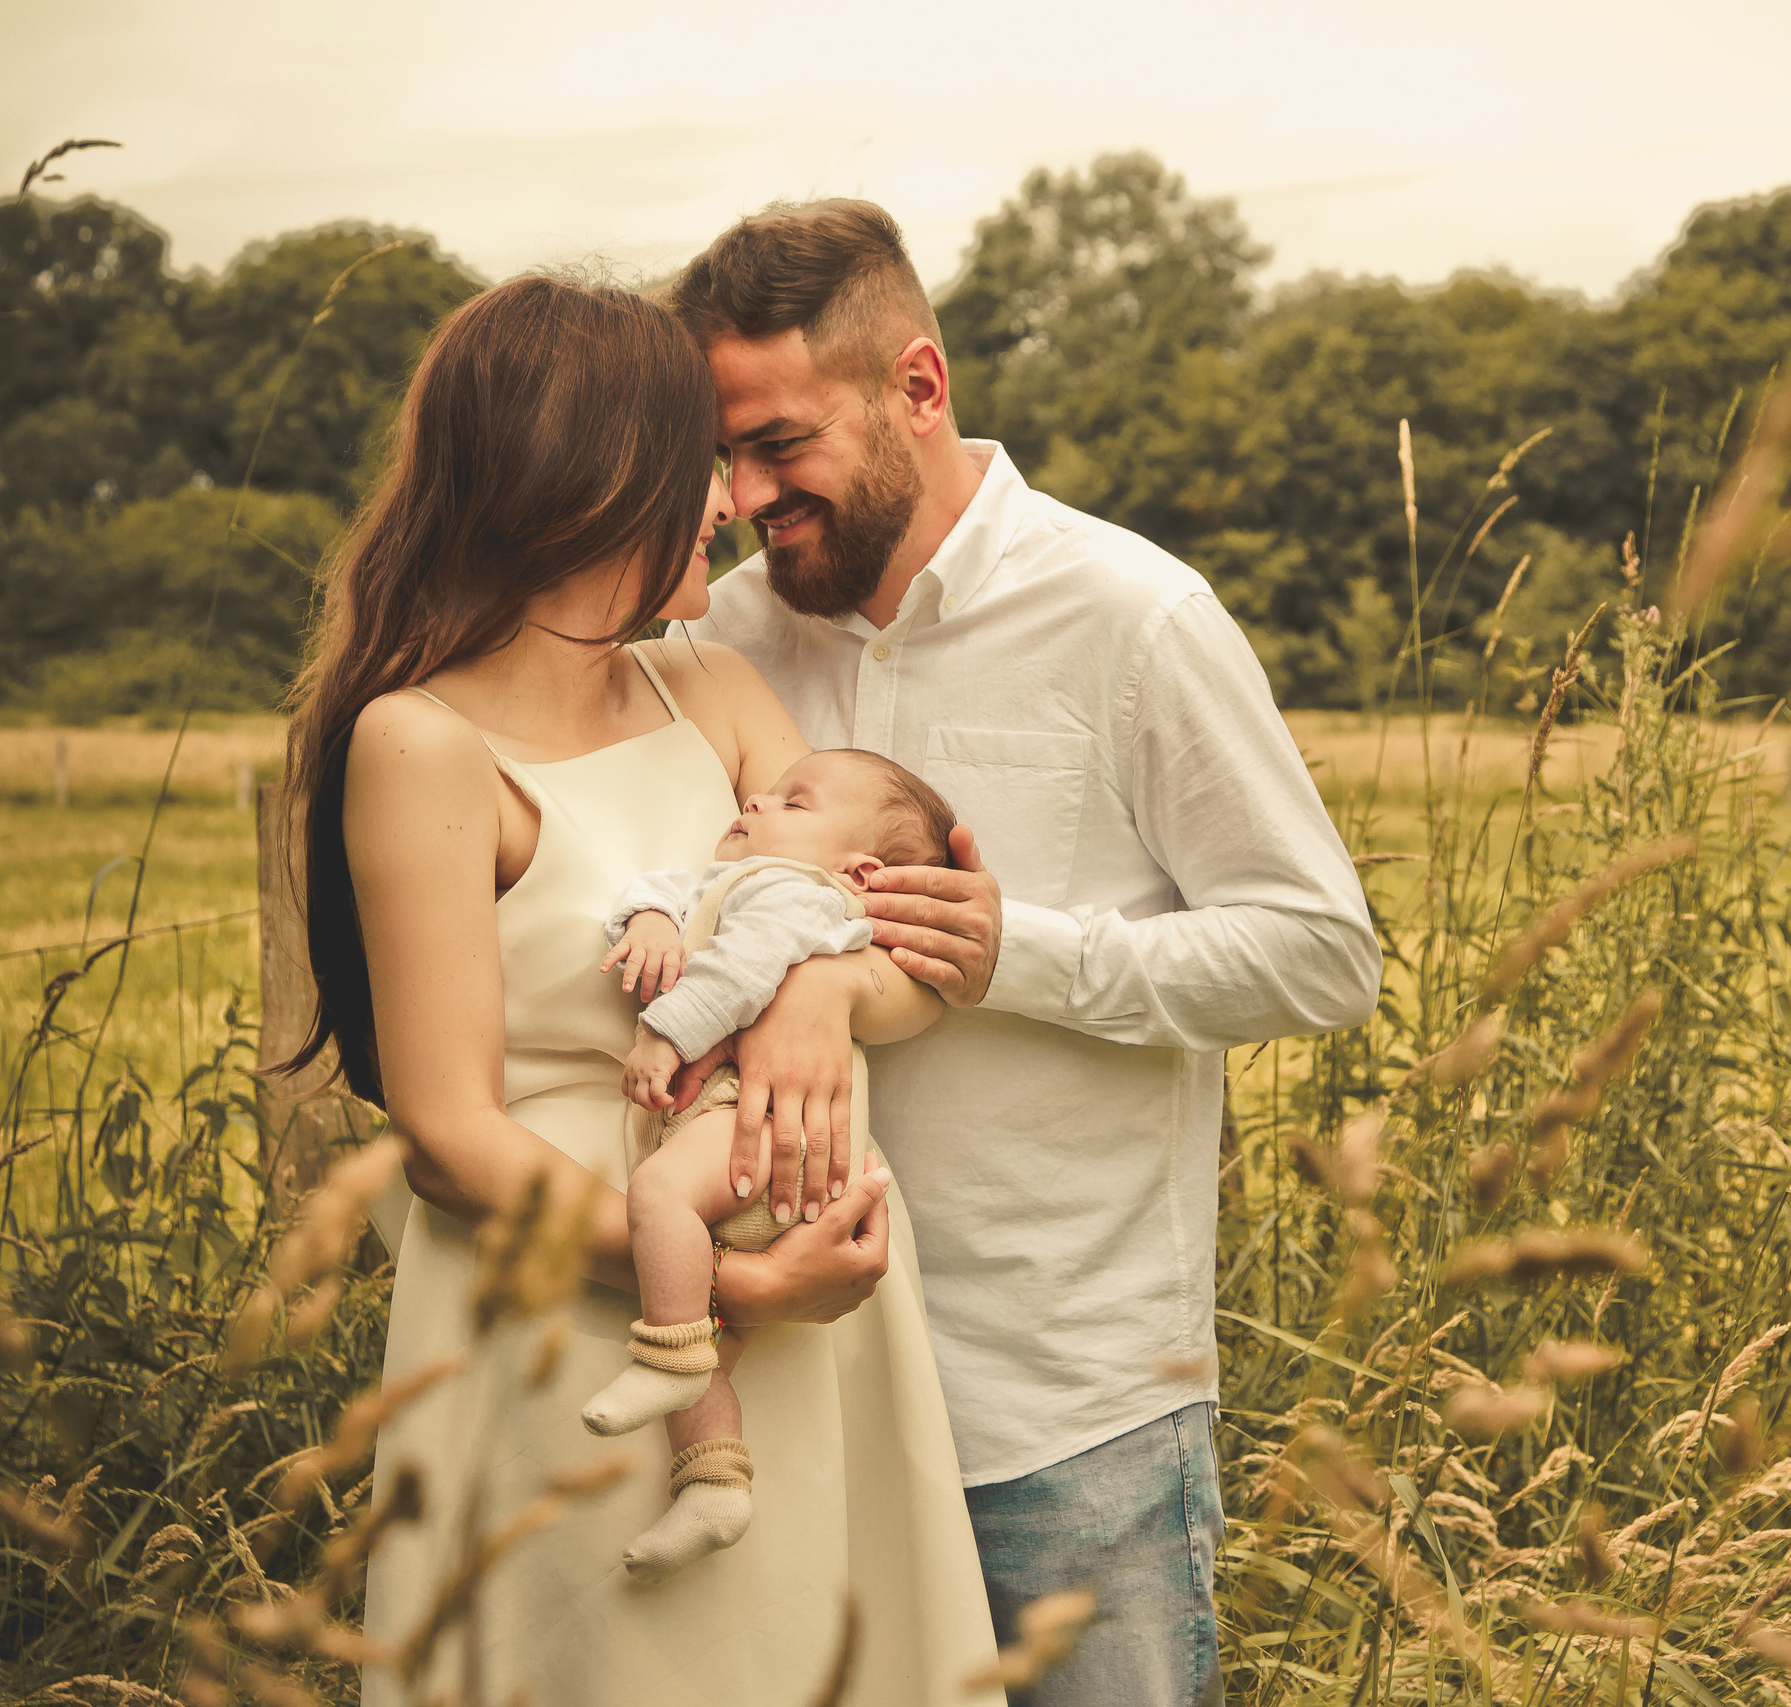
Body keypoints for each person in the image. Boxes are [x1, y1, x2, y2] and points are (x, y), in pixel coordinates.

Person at [667, 201, 1383, 1705]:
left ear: (918, 388)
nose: (742, 496)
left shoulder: (1132, 616)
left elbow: (1322, 952)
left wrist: (1024, 954)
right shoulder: (722, 638)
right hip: (796, 1388)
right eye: (722, 457)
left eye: (779, 445)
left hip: (1060, 1411)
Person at [280, 274, 1002, 1706]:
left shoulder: (710, 689)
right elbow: (447, 1130)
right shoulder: (420, 745)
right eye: (701, 465)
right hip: (584, 1311)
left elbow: (897, 955)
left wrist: (827, 997)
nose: (731, 501)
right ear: (595, 481)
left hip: (820, 1312)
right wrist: (732, 1285)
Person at [582, 748, 959, 1588]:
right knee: (721, 1344)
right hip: (766, 1153)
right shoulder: (746, 880)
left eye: (794, 799)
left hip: (743, 1124)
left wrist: (665, 1033)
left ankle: (668, 1351)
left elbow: (741, 971)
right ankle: (713, 1482)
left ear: (856, 869)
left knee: (659, 1194)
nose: (758, 796)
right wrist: (648, 916)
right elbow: (671, 892)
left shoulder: (799, 896)